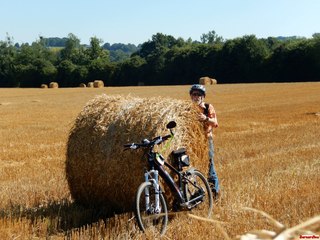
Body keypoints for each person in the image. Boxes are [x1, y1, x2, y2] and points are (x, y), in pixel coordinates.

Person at [189, 84, 220, 199]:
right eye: (194, 94)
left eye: (198, 95)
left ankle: (214, 194)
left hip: (206, 141)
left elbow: (215, 123)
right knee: (191, 168)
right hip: (193, 142)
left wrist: (206, 118)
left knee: (210, 167)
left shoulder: (208, 107)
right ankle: (196, 193)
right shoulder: (188, 109)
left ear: (203, 97)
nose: (196, 97)